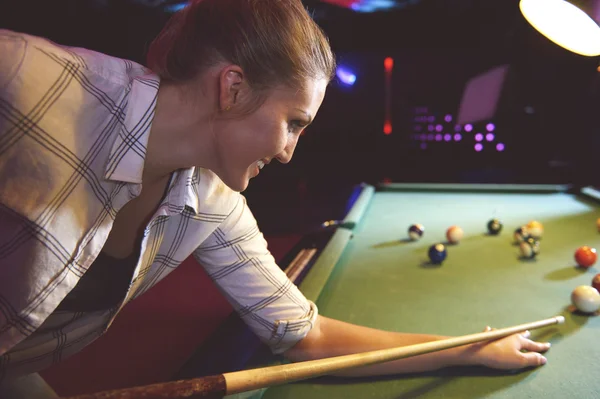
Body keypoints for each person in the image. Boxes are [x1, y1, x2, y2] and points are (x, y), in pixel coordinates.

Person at [0, 0, 552, 395]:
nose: (290, 151)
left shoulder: (213, 201)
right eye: (293, 122)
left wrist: (462, 349)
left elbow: (303, 334)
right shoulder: (28, 77)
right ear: (233, 87)